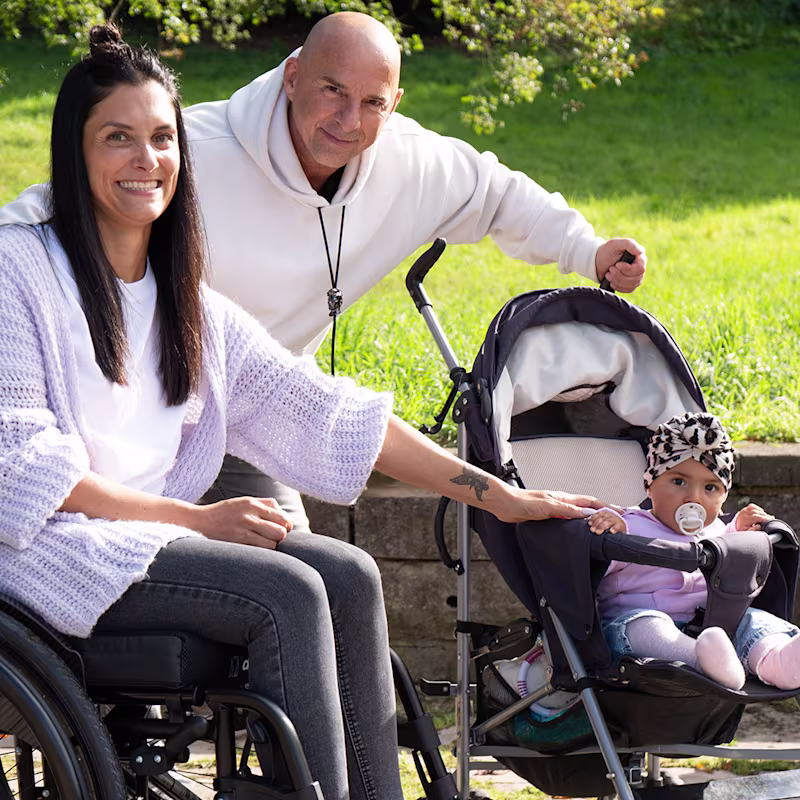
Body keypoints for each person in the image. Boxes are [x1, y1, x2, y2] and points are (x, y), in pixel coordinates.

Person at [0, 26, 612, 800]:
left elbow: (326, 414)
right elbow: (21, 467)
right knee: (284, 590)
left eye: (160, 138)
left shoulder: (182, 299)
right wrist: (193, 522)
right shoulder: (19, 267)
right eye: (117, 138)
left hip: (139, 541)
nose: (146, 160)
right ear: (74, 150)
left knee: (349, 573)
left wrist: (499, 492)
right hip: (45, 552)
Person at [0, 11, 649, 531]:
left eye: (372, 102)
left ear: (394, 103)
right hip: (131, 414)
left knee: (309, 571)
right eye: (331, 92)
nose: (348, 121)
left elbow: (497, 194)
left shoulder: (410, 162)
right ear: (291, 76)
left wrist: (586, 250)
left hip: (255, 409)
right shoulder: (186, 151)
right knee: (284, 596)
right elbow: (62, 202)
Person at [587, 412, 800, 692]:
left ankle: (778, 659)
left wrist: (742, 531)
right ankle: (701, 660)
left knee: (753, 620)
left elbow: (732, 552)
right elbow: (592, 566)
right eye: (679, 482)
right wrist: (607, 531)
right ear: (649, 484)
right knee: (645, 627)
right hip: (640, 625)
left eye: (710, 487)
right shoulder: (628, 524)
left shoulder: (718, 531)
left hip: (713, 625)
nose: (693, 497)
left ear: (723, 497)